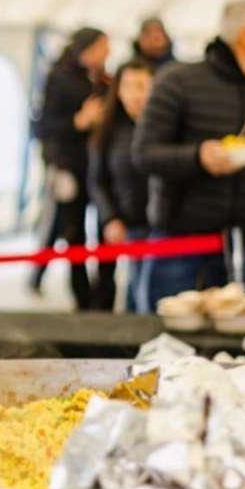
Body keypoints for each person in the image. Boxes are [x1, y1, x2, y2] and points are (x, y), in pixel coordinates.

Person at [134, 0, 245, 304]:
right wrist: (198, 157)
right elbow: (143, 153)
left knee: (227, 343)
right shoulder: (179, 81)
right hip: (181, 236)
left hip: (237, 241)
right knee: (167, 337)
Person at [31, 27, 117, 311]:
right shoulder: (60, 77)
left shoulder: (106, 80)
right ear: (87, 48)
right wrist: (78, 121)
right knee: (72, 234)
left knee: (106, 232)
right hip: (70, 167)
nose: (108, 53)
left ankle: (104, 299)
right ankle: (81, 301)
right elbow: (43, 125)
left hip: (103, 170)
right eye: (103, 46)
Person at [88, 60, 155, 313]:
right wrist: (110, 218)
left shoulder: (167, 129)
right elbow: (97, 180)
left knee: (146, 297)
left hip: (164, 230)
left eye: (142, 86)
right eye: (127, 86)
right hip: (130, 226)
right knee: (137, 293)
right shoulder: (109, 130)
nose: (135, 95)